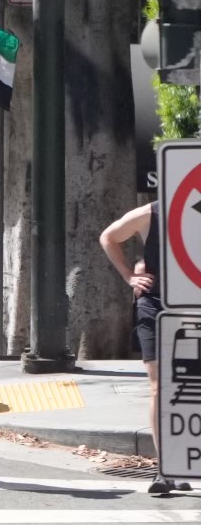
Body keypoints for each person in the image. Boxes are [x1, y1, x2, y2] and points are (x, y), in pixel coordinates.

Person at [99, 204, 184, 495]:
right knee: (160, 386)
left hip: (192, 308)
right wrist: (128, 275)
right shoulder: (154, 213)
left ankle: (184, 460)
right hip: (155, 306)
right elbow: (108, 236)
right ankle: (165, 469)